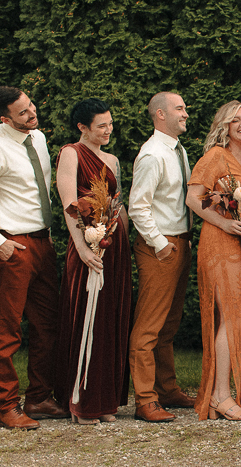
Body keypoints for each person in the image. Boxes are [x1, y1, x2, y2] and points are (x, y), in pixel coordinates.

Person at [54, 98, 131, 424]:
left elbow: (117, 205)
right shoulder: (70, 153)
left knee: (110, 321)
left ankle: (104, 401)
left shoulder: (111, 159)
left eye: (110, 124)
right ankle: (81, 403)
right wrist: (83, 249)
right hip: (87, 246)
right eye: (101, 125)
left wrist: (130, 242)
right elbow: (69, 204)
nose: (108, 130)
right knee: (88, 320)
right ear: (82, 127)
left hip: (114, 247)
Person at [187, 100, 241, 421]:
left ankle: (231, 391)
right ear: (225, 126)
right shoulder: (215, 157)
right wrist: (225, 223)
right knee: (229, 316)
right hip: (219, 243)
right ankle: (220, 395)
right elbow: (193, 198)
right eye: (236, 120)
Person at [0, 86, 69, 429]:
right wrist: (0, 242)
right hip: (13, 247)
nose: (32, 114)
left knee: (48, 325)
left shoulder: (38, 138)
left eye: (32, 106)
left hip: (44, 242)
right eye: (23, 112)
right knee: (7, 330)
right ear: (4, 118)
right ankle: (5, 406)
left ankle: (39, 398)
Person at [129, 92, 195, 422]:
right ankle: (144, 399)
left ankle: (167, 389)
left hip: (180, 243)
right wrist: (160, 244)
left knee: (168, 325)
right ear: (160, 114)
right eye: (179, 109)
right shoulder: (153, 155)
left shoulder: (177, 151)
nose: (186, 113)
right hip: (161, 248)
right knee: (148, 328)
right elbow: (137, 207)